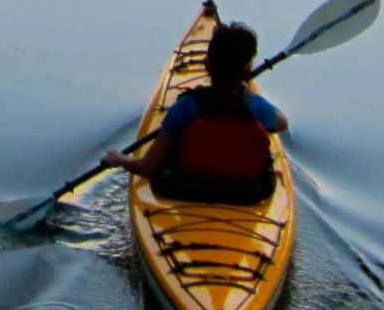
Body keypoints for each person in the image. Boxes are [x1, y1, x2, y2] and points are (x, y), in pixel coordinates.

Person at [101, 19, 287, 203]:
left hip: (184, 188)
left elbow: (147, 167)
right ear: (247, 69)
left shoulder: (186, 107)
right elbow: (281, 122)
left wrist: (119, 159)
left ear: (206, 65)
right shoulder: (257, 108)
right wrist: (249, 94)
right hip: (248, 193)